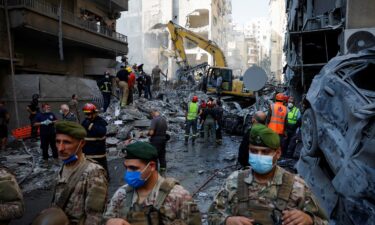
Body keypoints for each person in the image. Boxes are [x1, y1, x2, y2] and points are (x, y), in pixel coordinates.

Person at [208, 124, 329, 225]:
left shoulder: (297, 187)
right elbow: (212, 216)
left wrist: (309, 220)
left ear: (278, 153)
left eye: (265, 152)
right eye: (254, 151)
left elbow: (324, 222)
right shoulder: (233, 181)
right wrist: (227, 221)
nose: (259, 156)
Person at [103, 142, 202, 225]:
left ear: (151, 166)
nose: (128, 173)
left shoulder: (178, 197)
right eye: (126, 168)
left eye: (134, 168)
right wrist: (110, 221)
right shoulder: (122, 194)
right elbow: (106, 218)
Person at [52, 121, 108, 225]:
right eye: (57, 141)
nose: (60, 148)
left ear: (82, 143)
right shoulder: (64, 165)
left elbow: (94, 218)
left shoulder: (94, 172)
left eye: (67, 142)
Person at [81, 103, 109, 176]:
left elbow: (101, 132)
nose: (88, 116)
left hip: (98, 152)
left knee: (102, 171)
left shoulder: (100, 121)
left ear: (94, 113)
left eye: (89, 114)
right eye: (86, 114)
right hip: (87, 152)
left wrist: (90, 125)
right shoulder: (85, 121)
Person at [147, 109, 168, 174]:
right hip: (163, 139)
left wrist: (147, 133)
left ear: (153, 113)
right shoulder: (164, 119)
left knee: (154, 156)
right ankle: (163, 170)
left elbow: (151, 133)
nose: (151, 116)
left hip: (156, 140)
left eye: (151, 114)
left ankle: (155, 172)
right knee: (162, 155)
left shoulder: (154, 120)